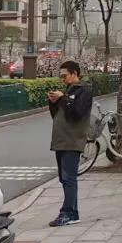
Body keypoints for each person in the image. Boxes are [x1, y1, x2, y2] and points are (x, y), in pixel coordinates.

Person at [48, 60, 94, 227]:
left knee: (69, 178)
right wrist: (53, 102)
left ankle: (68, 213)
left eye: (65, 76)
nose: (62, 79)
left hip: (72, 140)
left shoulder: (84, 90)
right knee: (64, 178)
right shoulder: (68, 91)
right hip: (61, 140)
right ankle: (72, 213)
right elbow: (57, 115)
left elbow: (77, 112)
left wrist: (63, 98)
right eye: (60, 77)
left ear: (75, 73)